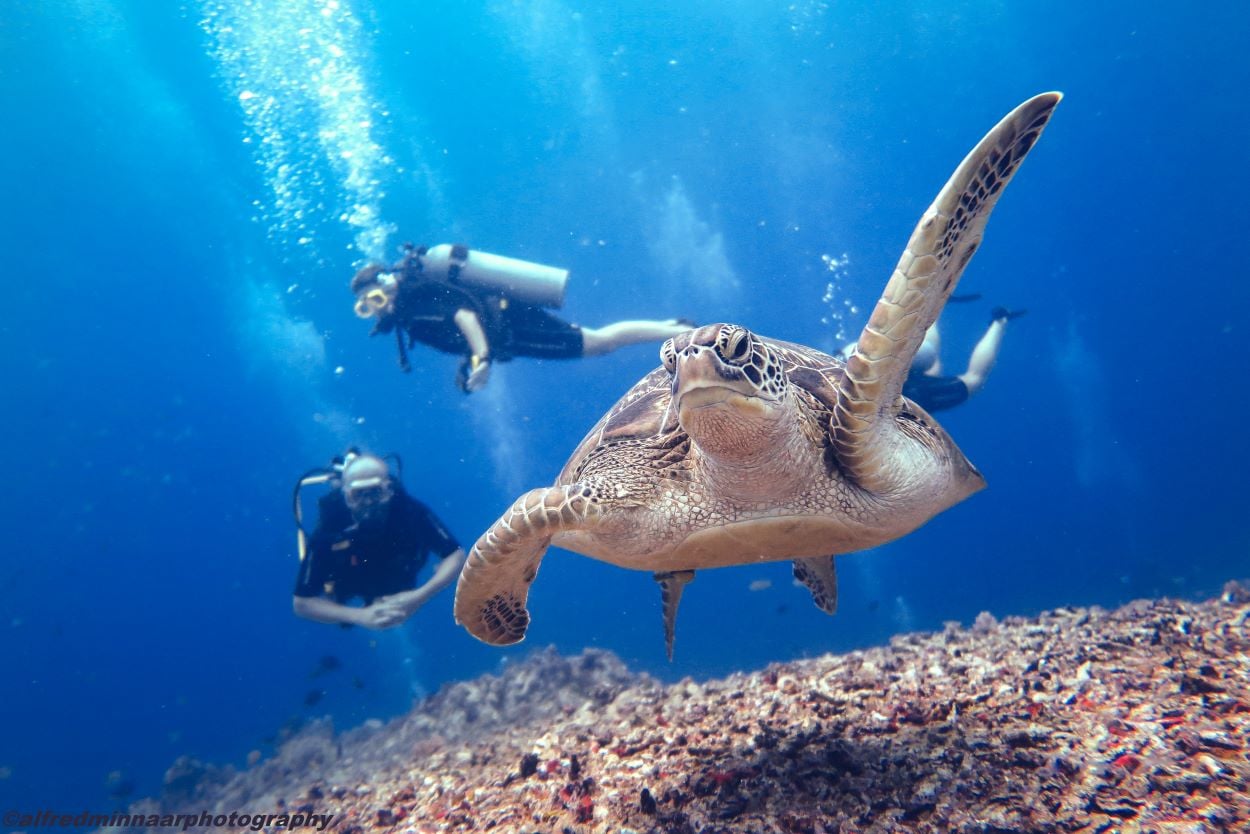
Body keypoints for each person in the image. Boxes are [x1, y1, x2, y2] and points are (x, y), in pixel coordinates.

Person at [352, 242, 694, 392]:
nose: (378, 308)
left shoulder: (415, 299)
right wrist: (470, 361)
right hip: (508, 328)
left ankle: (675, 329)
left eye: (376, 298)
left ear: (387, 285)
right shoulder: (410, 315)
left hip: (512, 325)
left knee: (599, 342)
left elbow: (464, 316)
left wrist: (481, 358)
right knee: (598, 342)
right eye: (368, 306)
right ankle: (671, 328)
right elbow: (454, 328)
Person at [292, 450, 466, 630]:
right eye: (358, 495)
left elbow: (456, 555)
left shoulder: (408, 511)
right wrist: (359, 616)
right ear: (346, 496)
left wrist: (419, 597)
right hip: (352, 582)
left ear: (389, 490)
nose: (368, 503)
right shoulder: (330, 527)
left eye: (375, 492)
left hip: (399, 577)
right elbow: (302, 602)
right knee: (334, 595)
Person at [842, 304, 1026, 413]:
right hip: (853, 367)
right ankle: (998, 321)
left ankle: (998, 321)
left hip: (893, 395)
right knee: (933, 366)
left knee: (972, 379)